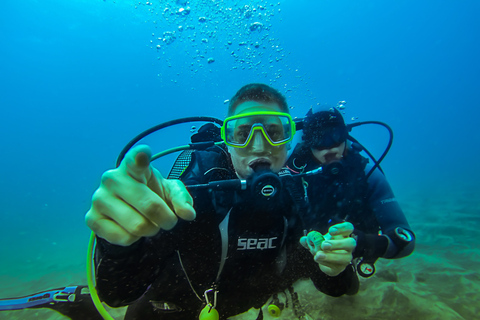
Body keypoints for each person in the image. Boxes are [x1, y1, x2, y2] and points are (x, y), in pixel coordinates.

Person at [84, 84, 359, 319]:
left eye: (275, 133)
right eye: (243, 134)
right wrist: (119, 244)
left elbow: (334, 284)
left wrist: (334, 265)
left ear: (289, 143)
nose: (260, 145)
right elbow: (118, 293)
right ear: (228, 141)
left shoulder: (295, 200)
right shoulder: (195, 194)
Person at [286, 106, 415, 277]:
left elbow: (405, 241)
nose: (329, 148)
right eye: (318, 139)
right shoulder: (292, 173)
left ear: (346, 135)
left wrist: (359, 243)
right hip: (302, 245)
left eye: (336, 136)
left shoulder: (368, 175)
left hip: (347, 253)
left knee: (343, 286)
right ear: (307, 142)